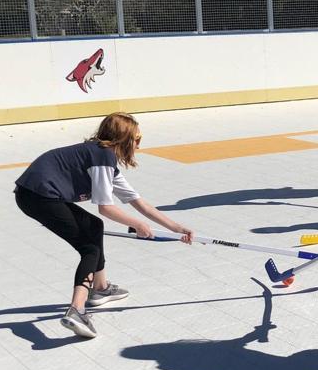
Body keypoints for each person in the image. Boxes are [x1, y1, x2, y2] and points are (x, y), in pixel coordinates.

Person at [14, 112, 193, 339]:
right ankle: (77, 309)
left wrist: (177, 228)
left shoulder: (102, 157)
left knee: (94, 227)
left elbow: (138, 202)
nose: (138, 144)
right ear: (125, 138)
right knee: (90, 247)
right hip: (39, 196)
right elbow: (106, 208)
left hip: (34, 194)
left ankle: (100, 288)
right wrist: (138, 225)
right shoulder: (102, 157)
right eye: (137, 139)